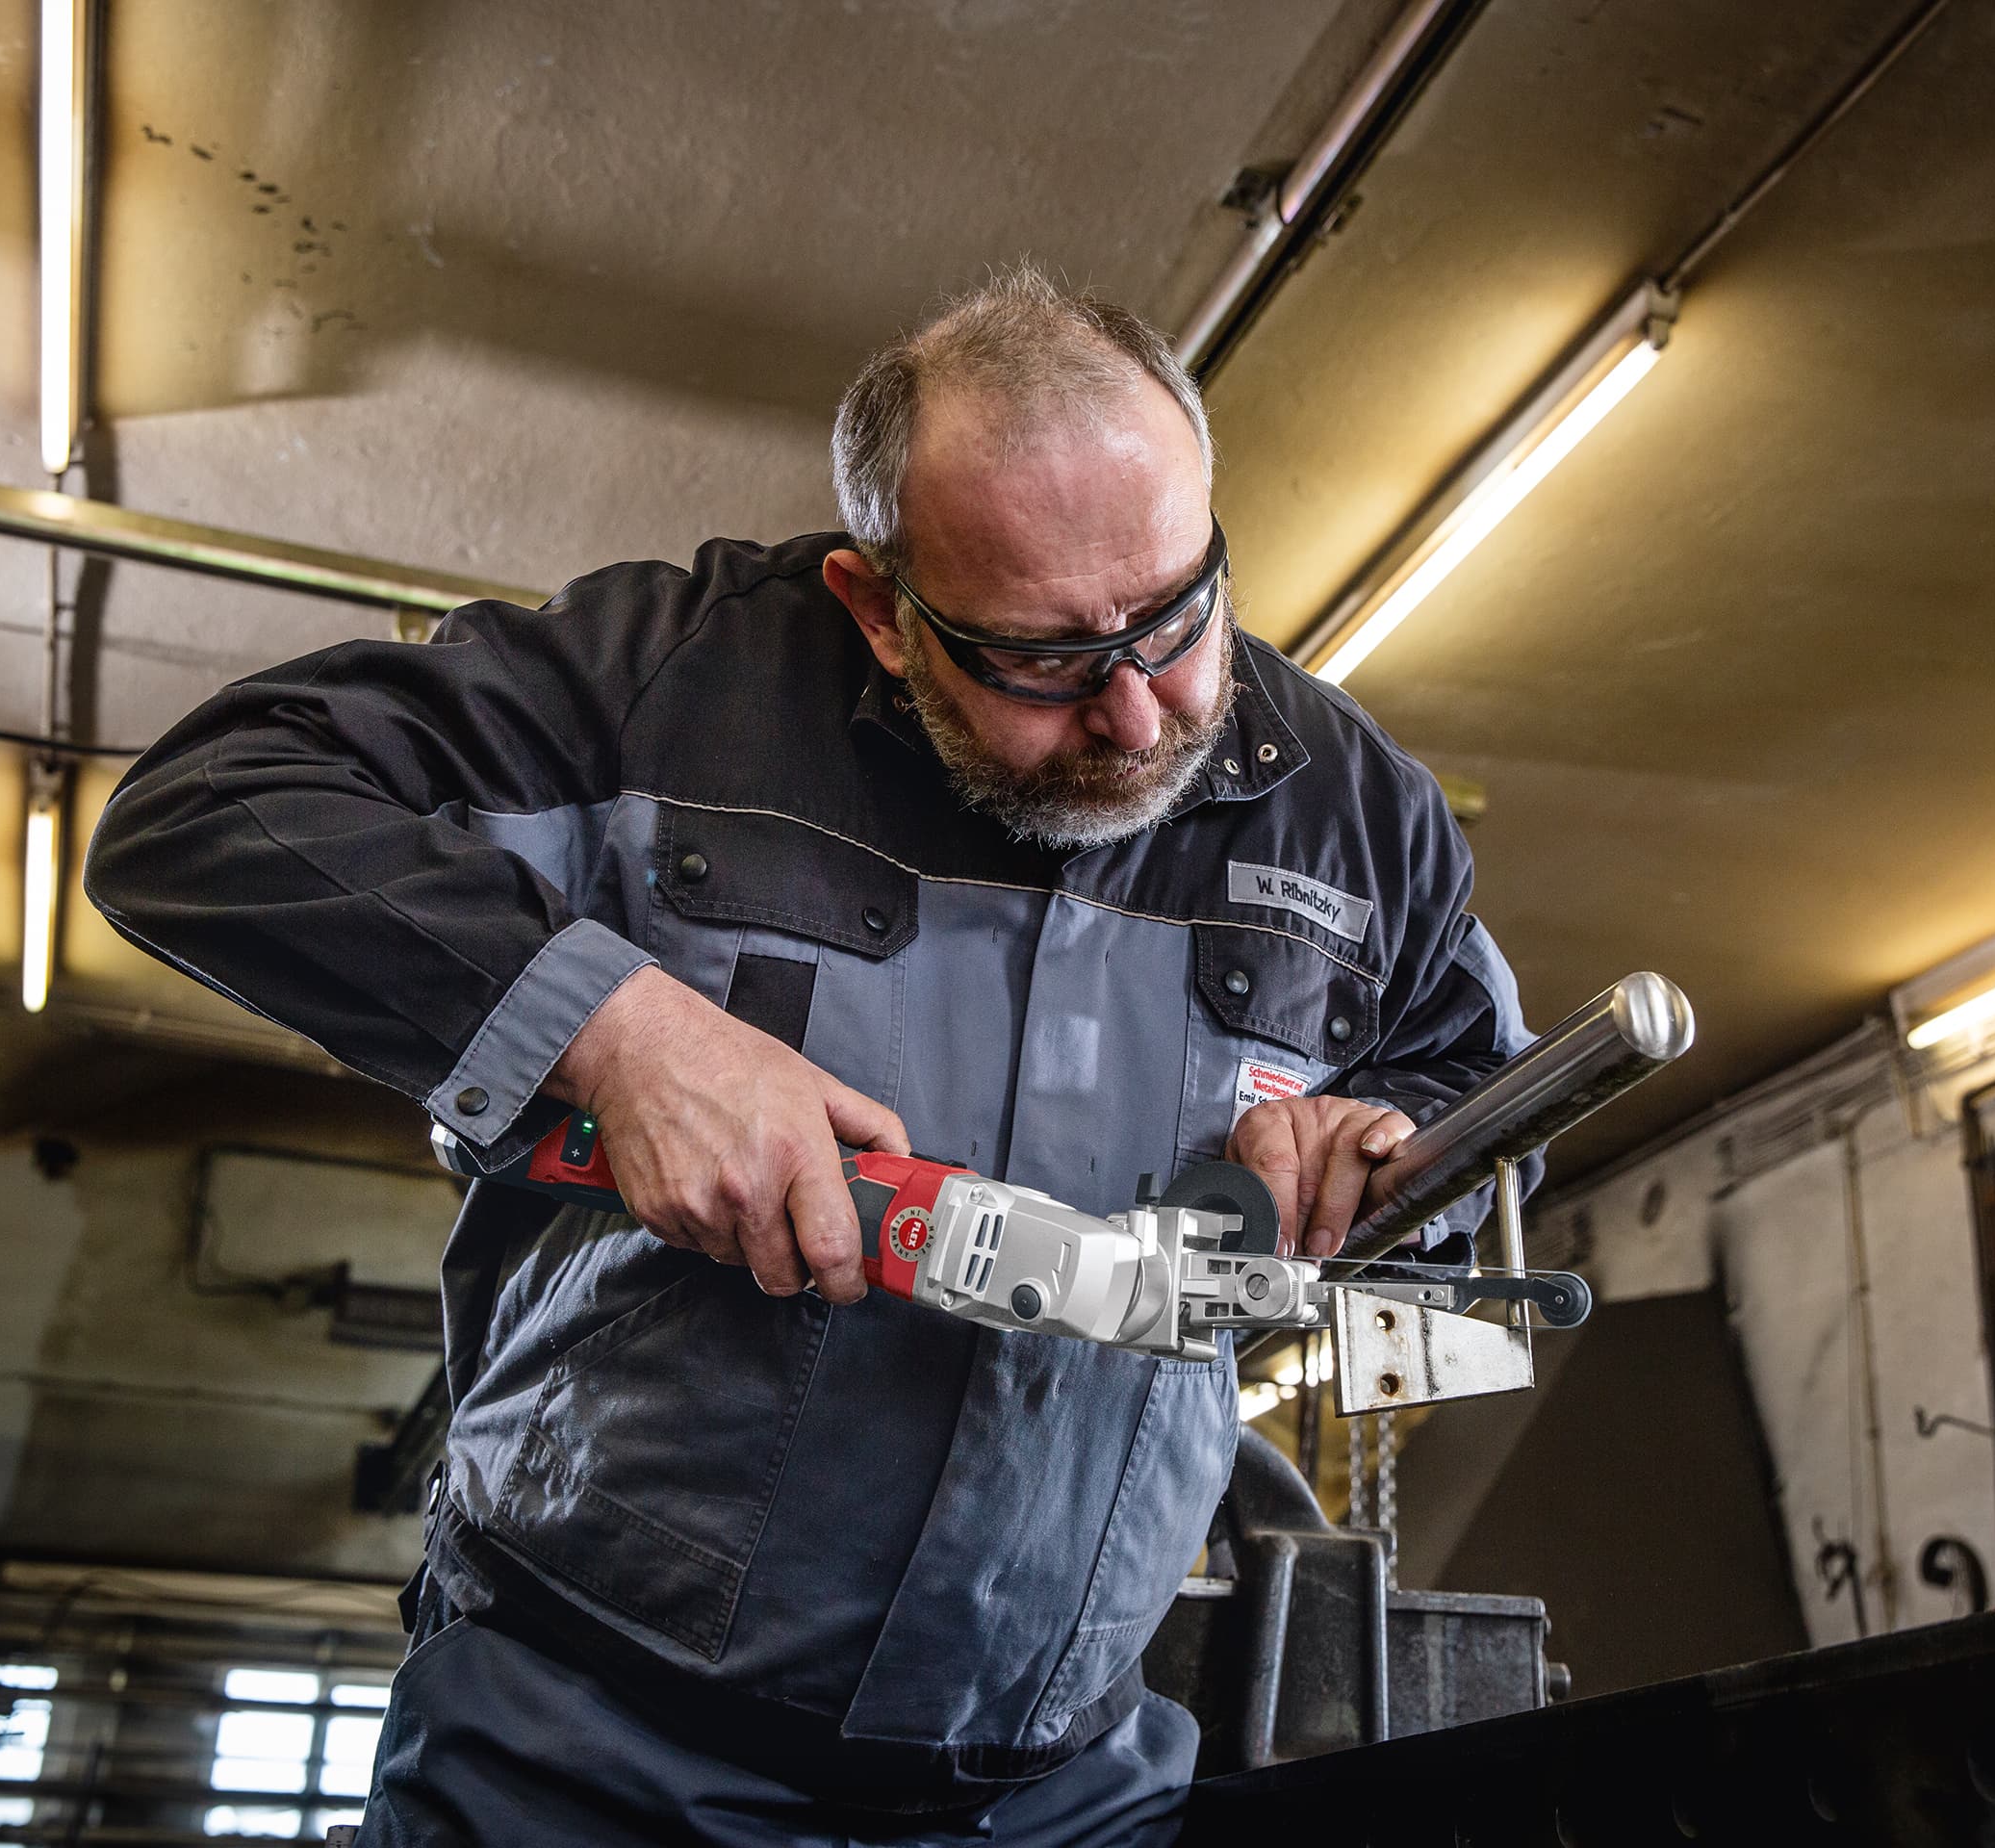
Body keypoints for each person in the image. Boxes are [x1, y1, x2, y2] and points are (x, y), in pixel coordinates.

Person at [86, 263, 1537, 1846]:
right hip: (589, 1753)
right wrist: (620, 1033)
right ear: (879, 608)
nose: (1135, 717)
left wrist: (1370, 1142)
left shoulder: (1356, 813)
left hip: (1060, 1790)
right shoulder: (664, 686)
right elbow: (204, 812)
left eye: (1177, 616)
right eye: (1042, 660)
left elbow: (1469, 1087)